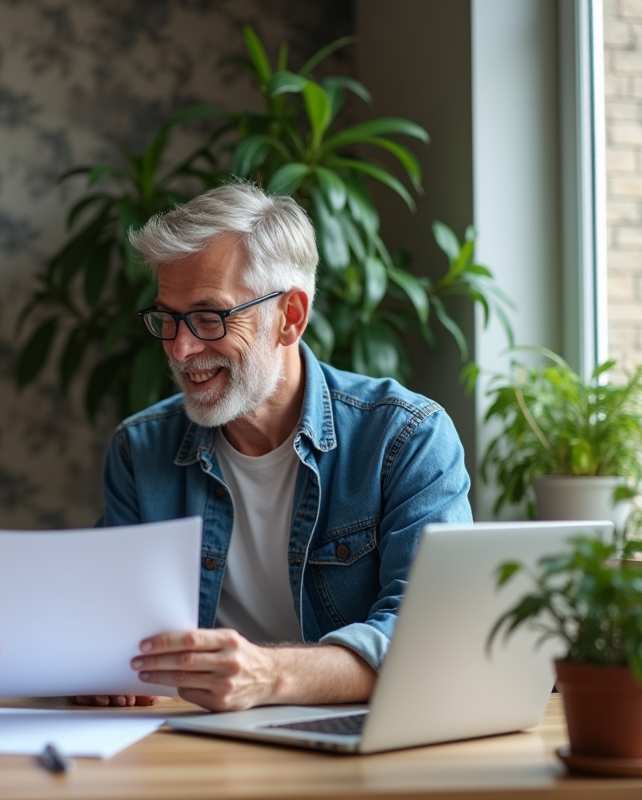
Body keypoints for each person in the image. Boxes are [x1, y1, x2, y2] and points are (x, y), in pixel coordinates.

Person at [92, 181, 472, 712]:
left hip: (353, 737)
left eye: (209, 317)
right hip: (192, 742)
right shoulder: (140, 449)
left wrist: (268, 676)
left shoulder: (405, 437)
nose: (180, 348)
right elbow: (115, 623)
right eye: (169, 318)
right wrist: (102, 660)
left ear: (290, 317)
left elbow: (429, 636)